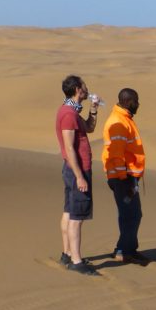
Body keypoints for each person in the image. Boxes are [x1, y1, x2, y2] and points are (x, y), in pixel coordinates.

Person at [56, 75, 99, 275]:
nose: (87, 89)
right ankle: (76, 260)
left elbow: (89, 128)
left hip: (75, 169)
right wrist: (80, 176)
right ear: (77, 90)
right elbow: (69, 148)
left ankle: (67, 254)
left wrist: (94, 109)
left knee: (69, 211)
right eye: (84, 86)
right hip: (77, 170)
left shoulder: (73, 112)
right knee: (77, 216)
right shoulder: (68, 114)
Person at [102, 88, 148, 264]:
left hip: (128, 177)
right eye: (136, 101)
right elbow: (116, 153)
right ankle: (123, 250)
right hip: (123, 178)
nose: (138, 104)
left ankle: (129, 249)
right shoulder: (118, 121)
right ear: (129, 102)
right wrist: (123, 178)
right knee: (132, 214)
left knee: (130, 214)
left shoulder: (124, 119)